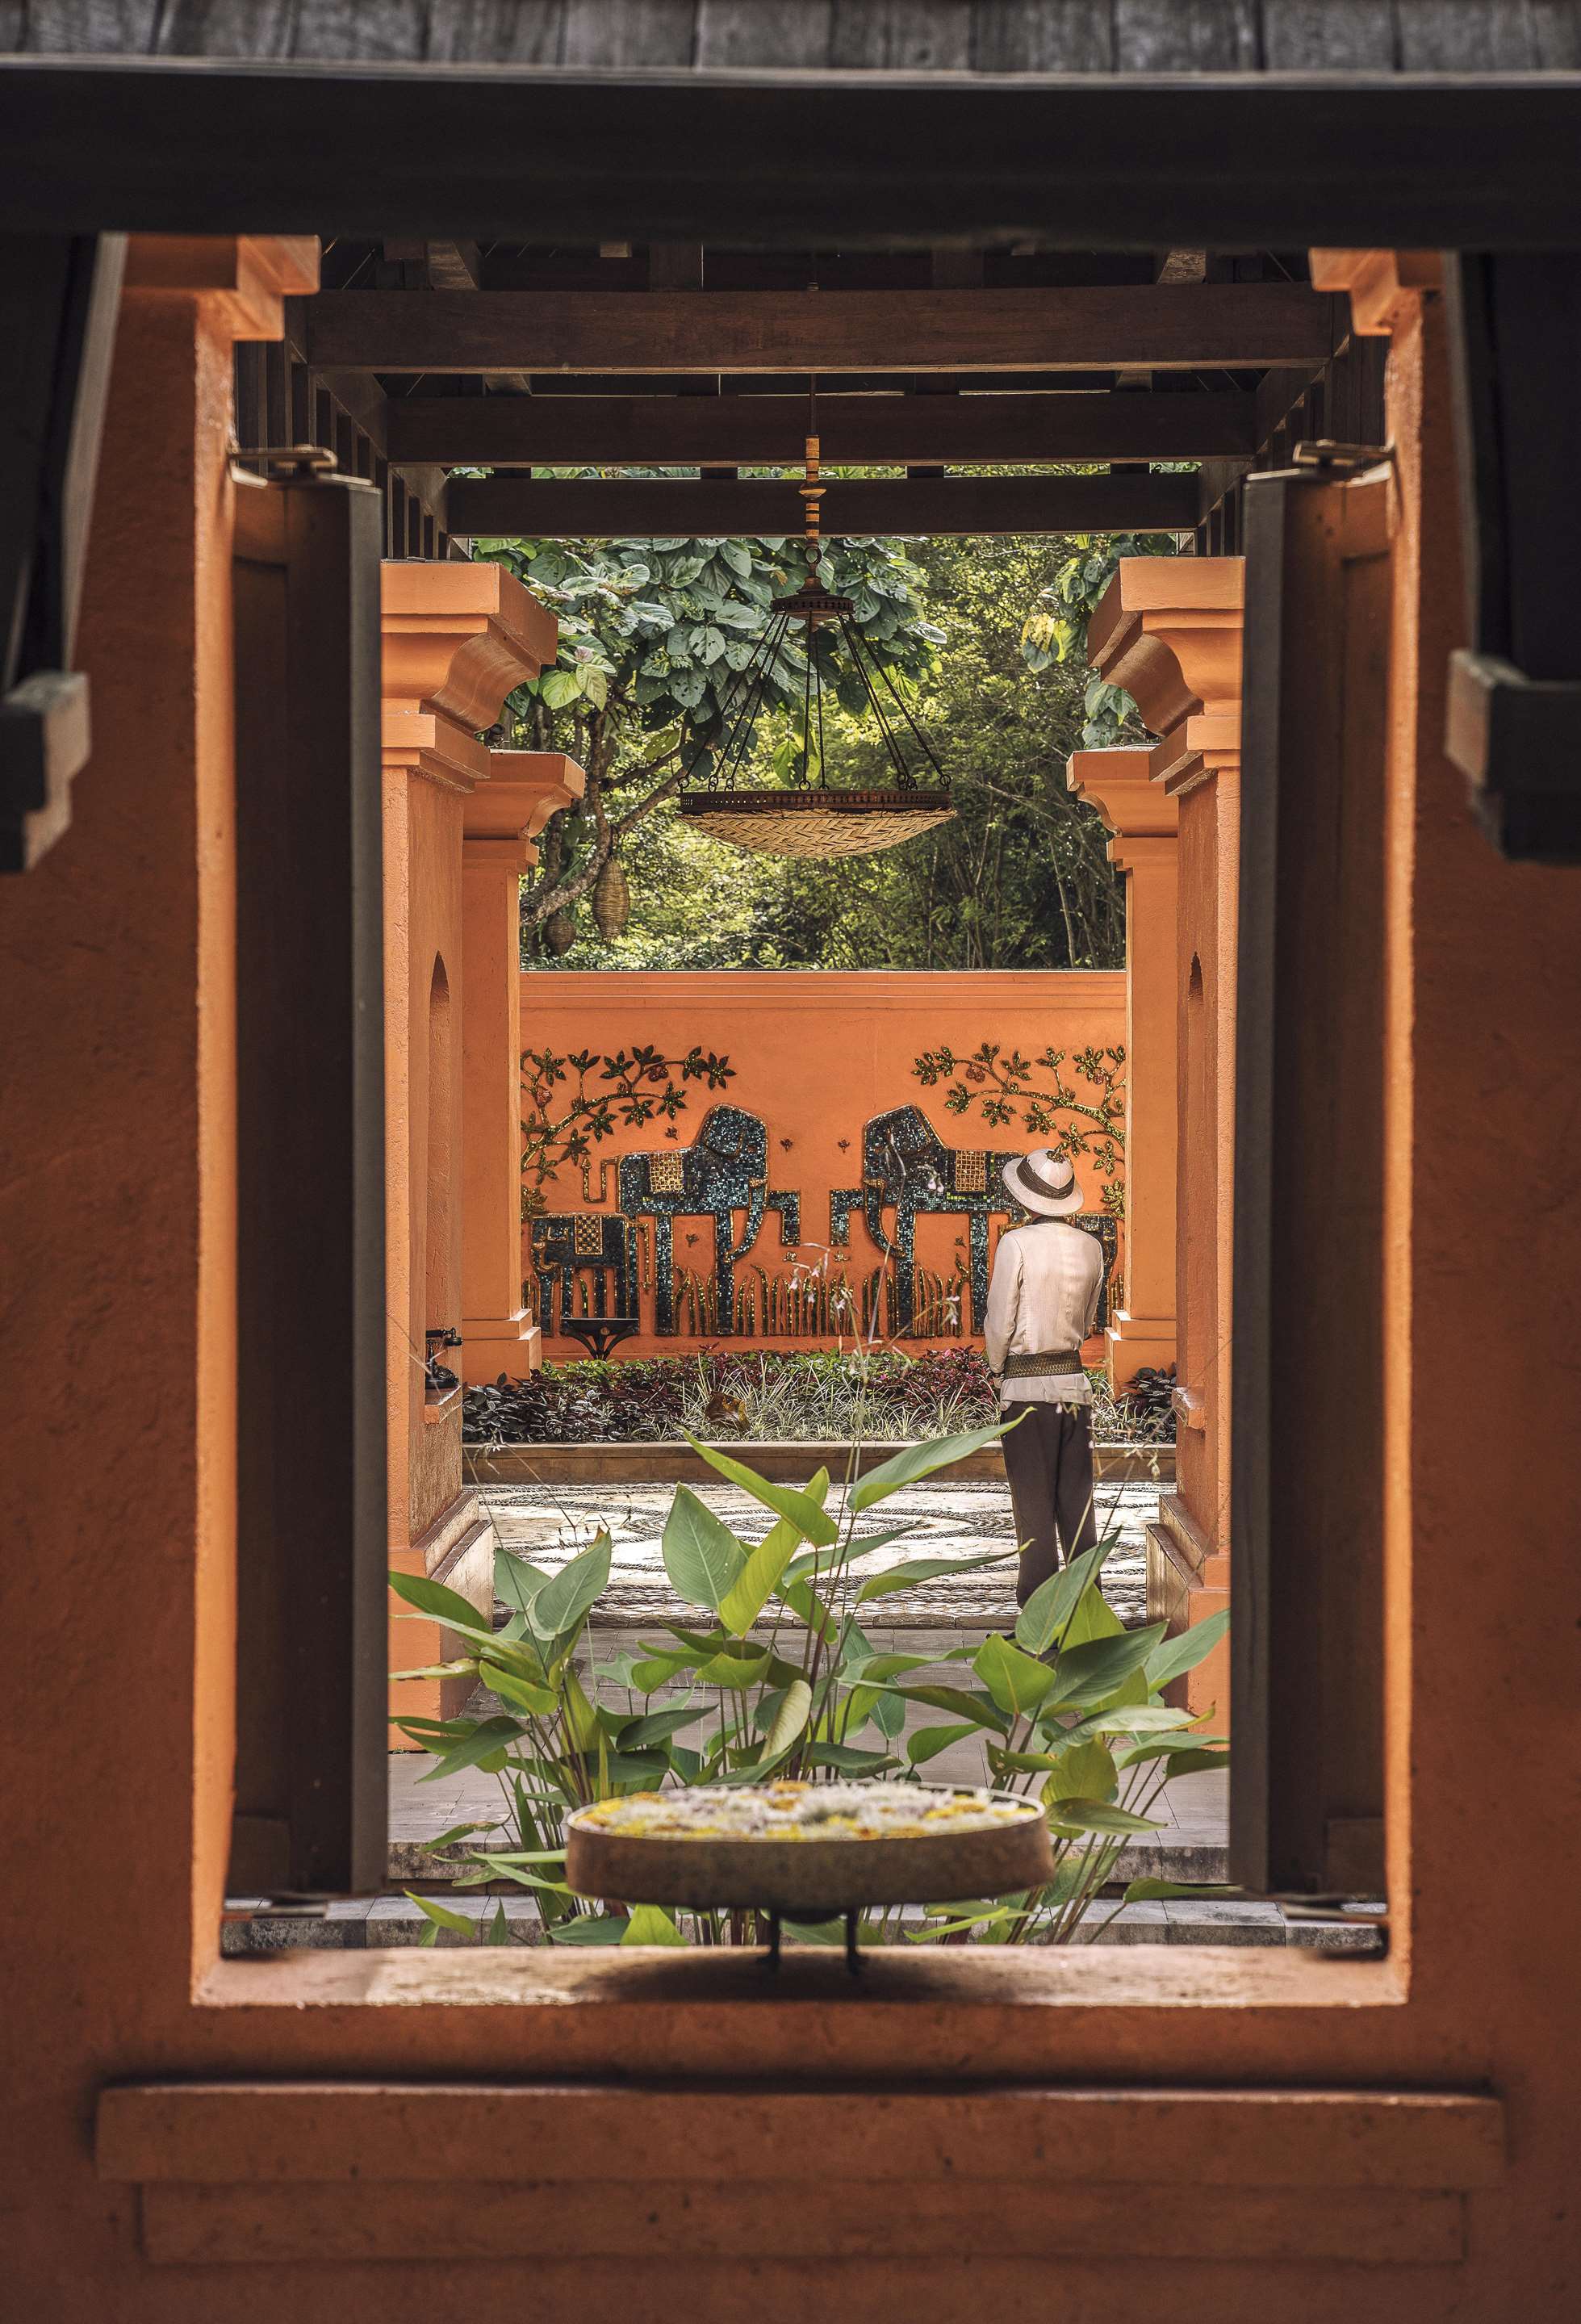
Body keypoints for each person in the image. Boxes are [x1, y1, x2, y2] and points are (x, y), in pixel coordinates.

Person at [982, 1145, 1105, 1606]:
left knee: (1032, 1505)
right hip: (1075, 1387)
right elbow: (1088, 1322)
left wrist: (998, 1368)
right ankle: (1086, 1605)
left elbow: (1000, 1321)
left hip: (1025, 1390)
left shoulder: (1015, 1244)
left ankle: (1037, 1610)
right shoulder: (1092, 1247)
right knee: (1078, 1501)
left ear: (1025, 1197)